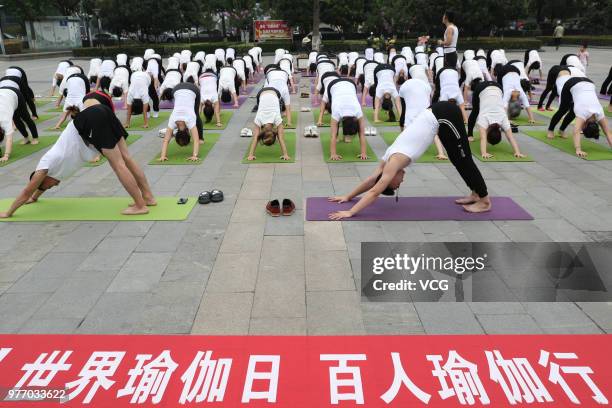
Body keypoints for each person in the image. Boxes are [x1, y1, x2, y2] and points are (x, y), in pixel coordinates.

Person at [327, 102, 491, 220]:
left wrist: (350, 212)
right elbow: (372, 180)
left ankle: (484, 201)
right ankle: (475, 193)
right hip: (437, 118)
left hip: (444, 115)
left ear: (390, 179)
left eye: (397, 185)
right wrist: (349, 196)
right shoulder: (388, 158)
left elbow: (374, 191)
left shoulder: (393, 163)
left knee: (464, 159)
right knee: (457, 159)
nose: (401, 182)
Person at [0, 97, 156, 218]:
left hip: (91, 120)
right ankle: (148, 198)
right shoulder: (51, 174)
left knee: (118, 165)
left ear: (42, 179)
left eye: (48, 186)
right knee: (126, 158)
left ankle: (140, 205)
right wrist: (34, 198)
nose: (54, 186)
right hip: (102, 111)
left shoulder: (46, 166)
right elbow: (37, 189)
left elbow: (29, 190)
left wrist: (9, 212)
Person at [546, 75, 612, 157]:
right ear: (585, 125)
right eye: (582, 128)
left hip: (589, 82)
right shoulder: (583, 113)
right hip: (571, 83)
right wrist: (578, 149)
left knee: (574, 112)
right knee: (563, 109)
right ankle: (550, 130)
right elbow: (576, 131)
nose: (581, 128)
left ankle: (561, 130)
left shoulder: (599, 113)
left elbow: (608, 132)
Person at [467, 81, 525, 159]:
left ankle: (470, 135)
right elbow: (484, 138)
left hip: (498, 87)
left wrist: (517, 152)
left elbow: (510, 137)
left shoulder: (504, 119)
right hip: (482, 88)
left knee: (476, 111)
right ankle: (469, 135)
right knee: (475, 111)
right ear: (488, 132)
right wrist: (484, 153)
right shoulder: (485, 120)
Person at [159, 83, 204, 162]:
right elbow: (165, 140)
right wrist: (162, 156)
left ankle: (202, 138)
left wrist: (194, 155)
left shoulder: (190, 120)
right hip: (177, 89)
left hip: (191, 89)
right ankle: (201, 138)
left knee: (196, 114)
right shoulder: (173, 120)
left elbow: (196, 140)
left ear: (188, 132)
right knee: (195, 114)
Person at [325, 78, 367, 161]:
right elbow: (333, 135)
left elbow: (362, 134)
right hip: (333, 85)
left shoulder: (358, 112)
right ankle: (344, 136)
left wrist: (363, 153)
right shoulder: (336, 112)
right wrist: (333, 154)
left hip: (351, 84)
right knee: (330, 108)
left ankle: (346, 135)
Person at [246, 88, 290, 161]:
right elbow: (281, 138)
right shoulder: (259, 119)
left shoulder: (276, 119)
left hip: (274, 92)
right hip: (261, 93)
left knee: (279, 106)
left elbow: (255, 138)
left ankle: (283, 110)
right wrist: (285, 154)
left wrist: (251, 155)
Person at [0, 86, 39, 161]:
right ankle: (26, 138)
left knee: (25, 117)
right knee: (16, 118)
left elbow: (9, 139)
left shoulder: (4, 120)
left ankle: (35, 137)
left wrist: (6, 155)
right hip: (4, 97)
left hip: (15, 94)